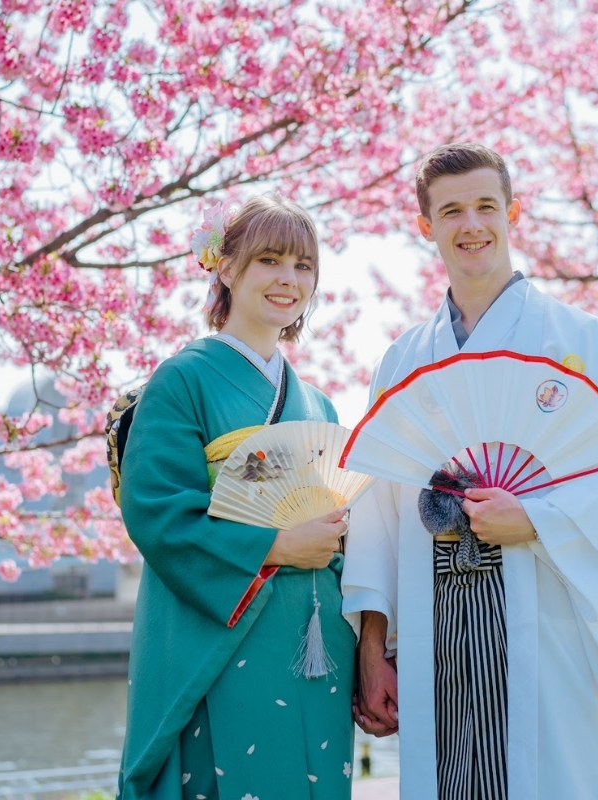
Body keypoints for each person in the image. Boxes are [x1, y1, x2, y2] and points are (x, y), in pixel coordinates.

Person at [341, 143, 598, 799]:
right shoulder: (402, 362)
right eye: (452, 210)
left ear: (512, 212)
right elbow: (376, 513)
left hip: (549, 621)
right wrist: (373, 648)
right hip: (437, 631)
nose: (472, 225)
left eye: (486, 206)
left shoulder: (585, 342)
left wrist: (542, 521)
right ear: (426, 226)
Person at [117, 194, 355, 799]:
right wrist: (277, 542)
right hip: (226, 636)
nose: (288, 279)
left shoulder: (319, 404)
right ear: (225, 268)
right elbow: (159, 514)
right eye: (269, 260)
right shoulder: (182, 380)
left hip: (316, 638)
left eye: (303, 266)